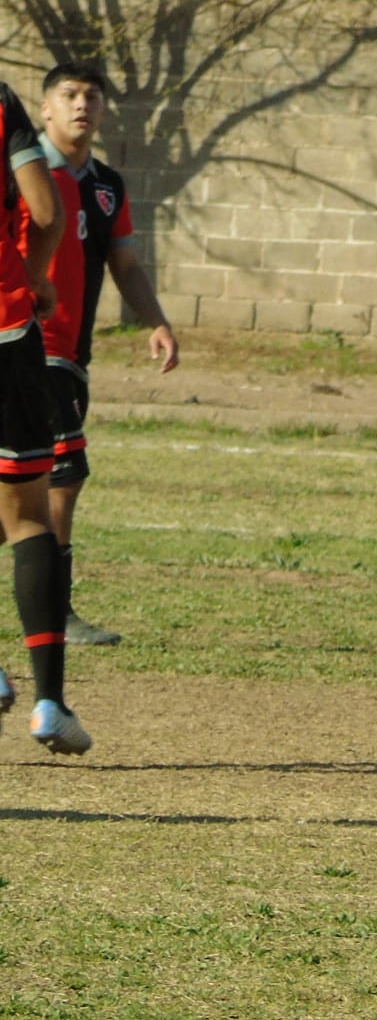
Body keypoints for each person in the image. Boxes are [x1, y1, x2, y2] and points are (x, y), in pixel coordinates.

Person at [23, 63, 180, 646]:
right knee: (64, 471)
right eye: (68, 95)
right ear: (45, 108)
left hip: (71, 354)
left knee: (30, 481)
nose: (81, 105)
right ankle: (54, 612)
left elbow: (125, 265)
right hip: (27, 348)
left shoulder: (107, 185)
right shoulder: (24, 175)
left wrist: (157, 322)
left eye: (91, 96)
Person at [0, 79, 92, 754]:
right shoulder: (1, 101)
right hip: (7, 330)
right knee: (27, 512)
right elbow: (45, 205)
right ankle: (50, 704)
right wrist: (31, 275)